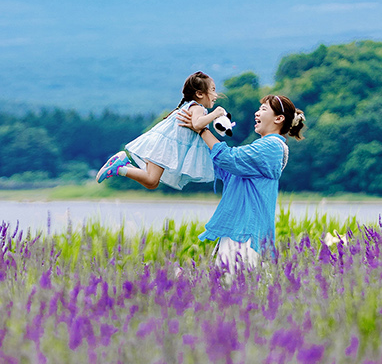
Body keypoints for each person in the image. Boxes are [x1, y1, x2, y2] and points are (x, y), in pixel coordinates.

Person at [176, 94, 306, 269]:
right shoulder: (261, 147)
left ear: (279, 118)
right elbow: (224, 167)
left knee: (239, 291)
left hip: (247, 235)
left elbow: (230, 158)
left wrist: (202, 130)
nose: (257, 113)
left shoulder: (272, 147)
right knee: (229, 292)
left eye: (263, 109)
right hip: (237, 231)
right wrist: (196, 129)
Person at [97, 72, 233, 190]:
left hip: (163, 146)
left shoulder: (193, 107)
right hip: (164, 148)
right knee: (151, 180)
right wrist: (216, 113)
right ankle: (119, 167)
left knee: (152, 183)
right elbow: (197, 124)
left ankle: (122, 165)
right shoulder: (197, 107)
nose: (216, 95)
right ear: (199, 94)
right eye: (213, 90)